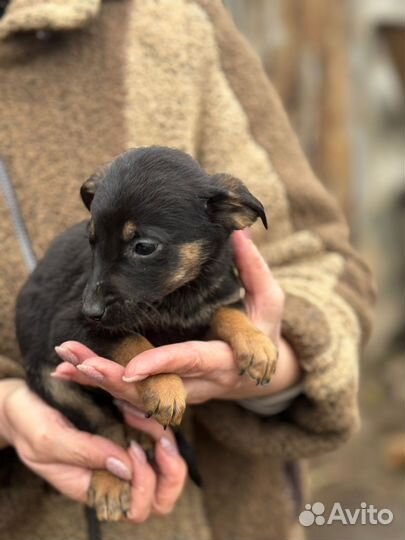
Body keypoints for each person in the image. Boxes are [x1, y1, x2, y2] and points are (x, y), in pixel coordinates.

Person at [0, 1, 374, 540]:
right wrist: (11, 411)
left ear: (231, 218)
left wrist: (272, 350)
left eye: (144, 250)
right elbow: (82, 327)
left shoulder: (174, 19)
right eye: (100, 244)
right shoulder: (100, 293)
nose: (97, 293)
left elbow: (321, 261)